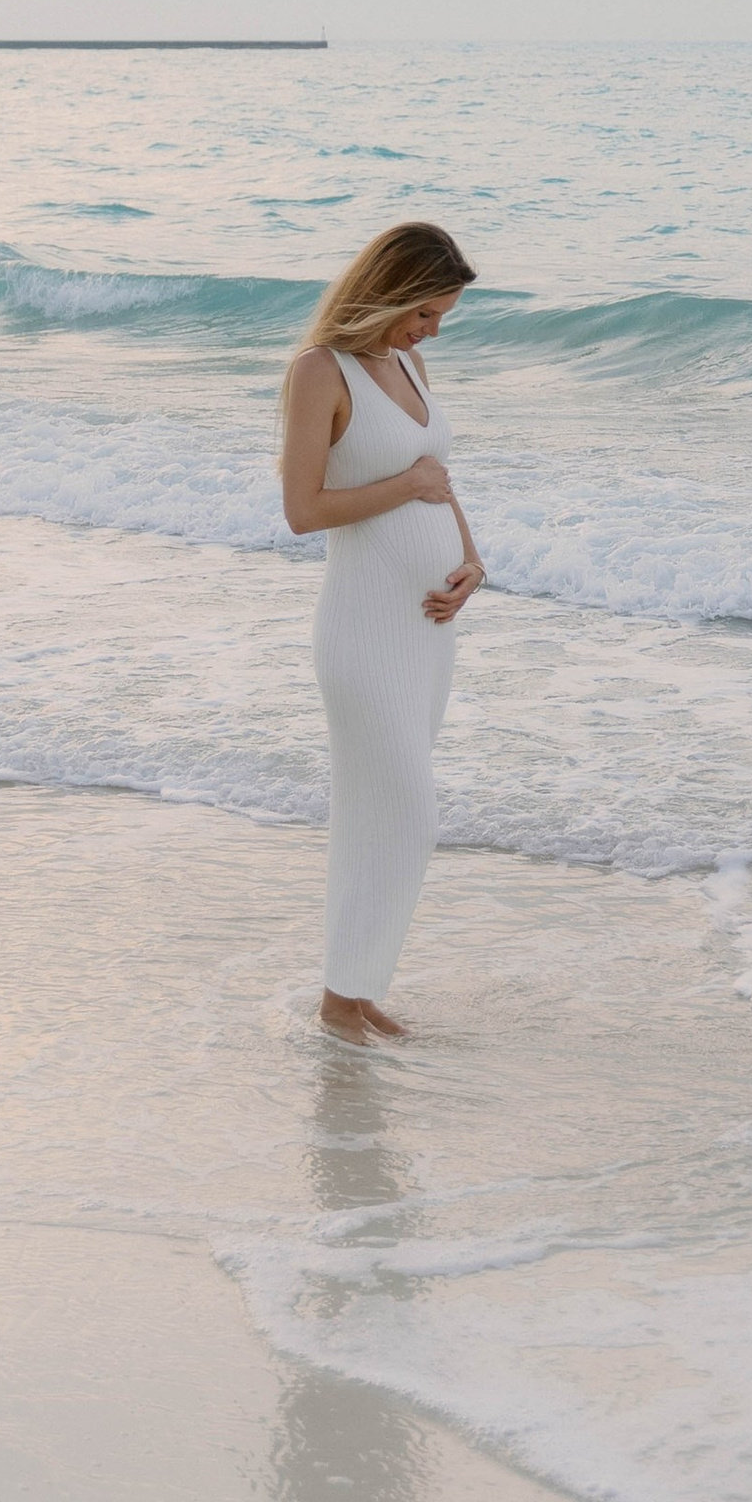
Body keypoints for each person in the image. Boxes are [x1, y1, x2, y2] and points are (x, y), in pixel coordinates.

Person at [279, 222, 484, 1038]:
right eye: (425, 314)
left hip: (427, 632)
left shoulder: (409, 365)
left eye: (438, 319)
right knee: (407, 812)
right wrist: (408, 485)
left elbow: (439, 481)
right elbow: (305, 512)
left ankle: (356, 997)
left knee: (377, 812)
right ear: (391, 292)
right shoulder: (318, 373)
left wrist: (471, 559)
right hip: (363, 632)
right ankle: (341, 1000)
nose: (430, 332)